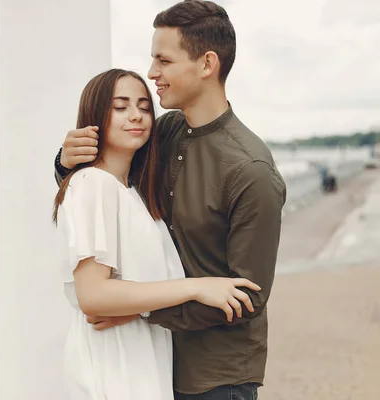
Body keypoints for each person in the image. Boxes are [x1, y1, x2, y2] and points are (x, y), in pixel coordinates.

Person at [54, 2, 287, 399]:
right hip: (148, 364)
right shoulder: (163, 134)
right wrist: (64, 163)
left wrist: (140, 309)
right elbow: (106, 187)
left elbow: (248, 295)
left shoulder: (251, 170)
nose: (152, 73)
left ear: (207, 64)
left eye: (163, 60)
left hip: (215, 377)